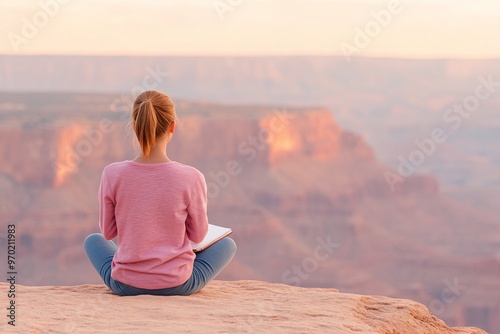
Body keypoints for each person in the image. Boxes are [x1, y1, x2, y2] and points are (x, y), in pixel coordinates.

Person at [84, 90, 236, 296]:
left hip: (124, 284)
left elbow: (108, 233)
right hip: (176, 284)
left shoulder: (112, 173)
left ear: (135, 126)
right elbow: (199, 235)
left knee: (93, 240)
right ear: (172, 126)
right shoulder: (191, 177)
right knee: (227, 244)